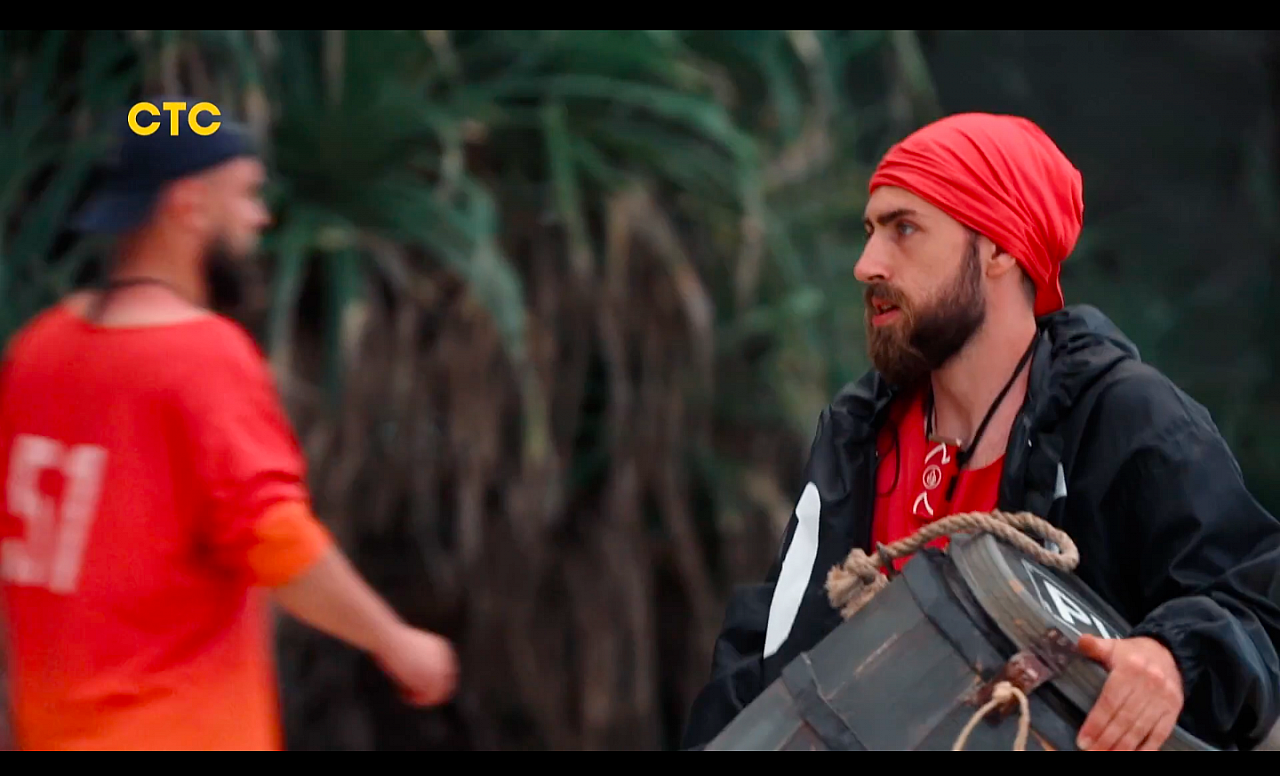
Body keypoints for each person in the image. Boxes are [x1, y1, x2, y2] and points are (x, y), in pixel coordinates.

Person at [681, 112, 1280, 752]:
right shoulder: (858, 435)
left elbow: (1259, 604)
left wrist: (1171, 657)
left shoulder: (1123, 417)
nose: (866, 264)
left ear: (999, 248)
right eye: (870, 231)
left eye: (904, 229)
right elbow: (772, 648)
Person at [0, 97, 458, 750]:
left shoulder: (38, 350)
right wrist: (394, 640)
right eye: (245, 195)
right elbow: (274, 536)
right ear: (188, 205)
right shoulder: (200, 358)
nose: (260, 218)